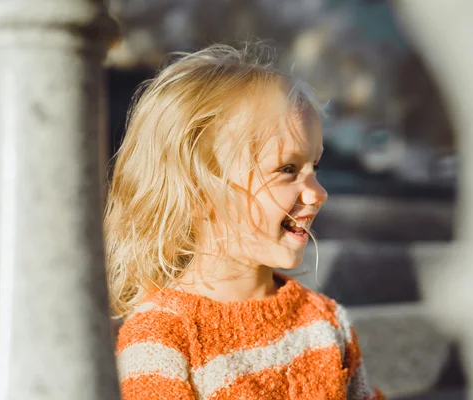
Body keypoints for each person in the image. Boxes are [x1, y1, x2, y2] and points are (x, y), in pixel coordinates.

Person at [105, 43, 384, 400]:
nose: (318, 192)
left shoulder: (326, 321)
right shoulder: (160, 337)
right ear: (200, 192)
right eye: (288, 169)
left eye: (315, 167)